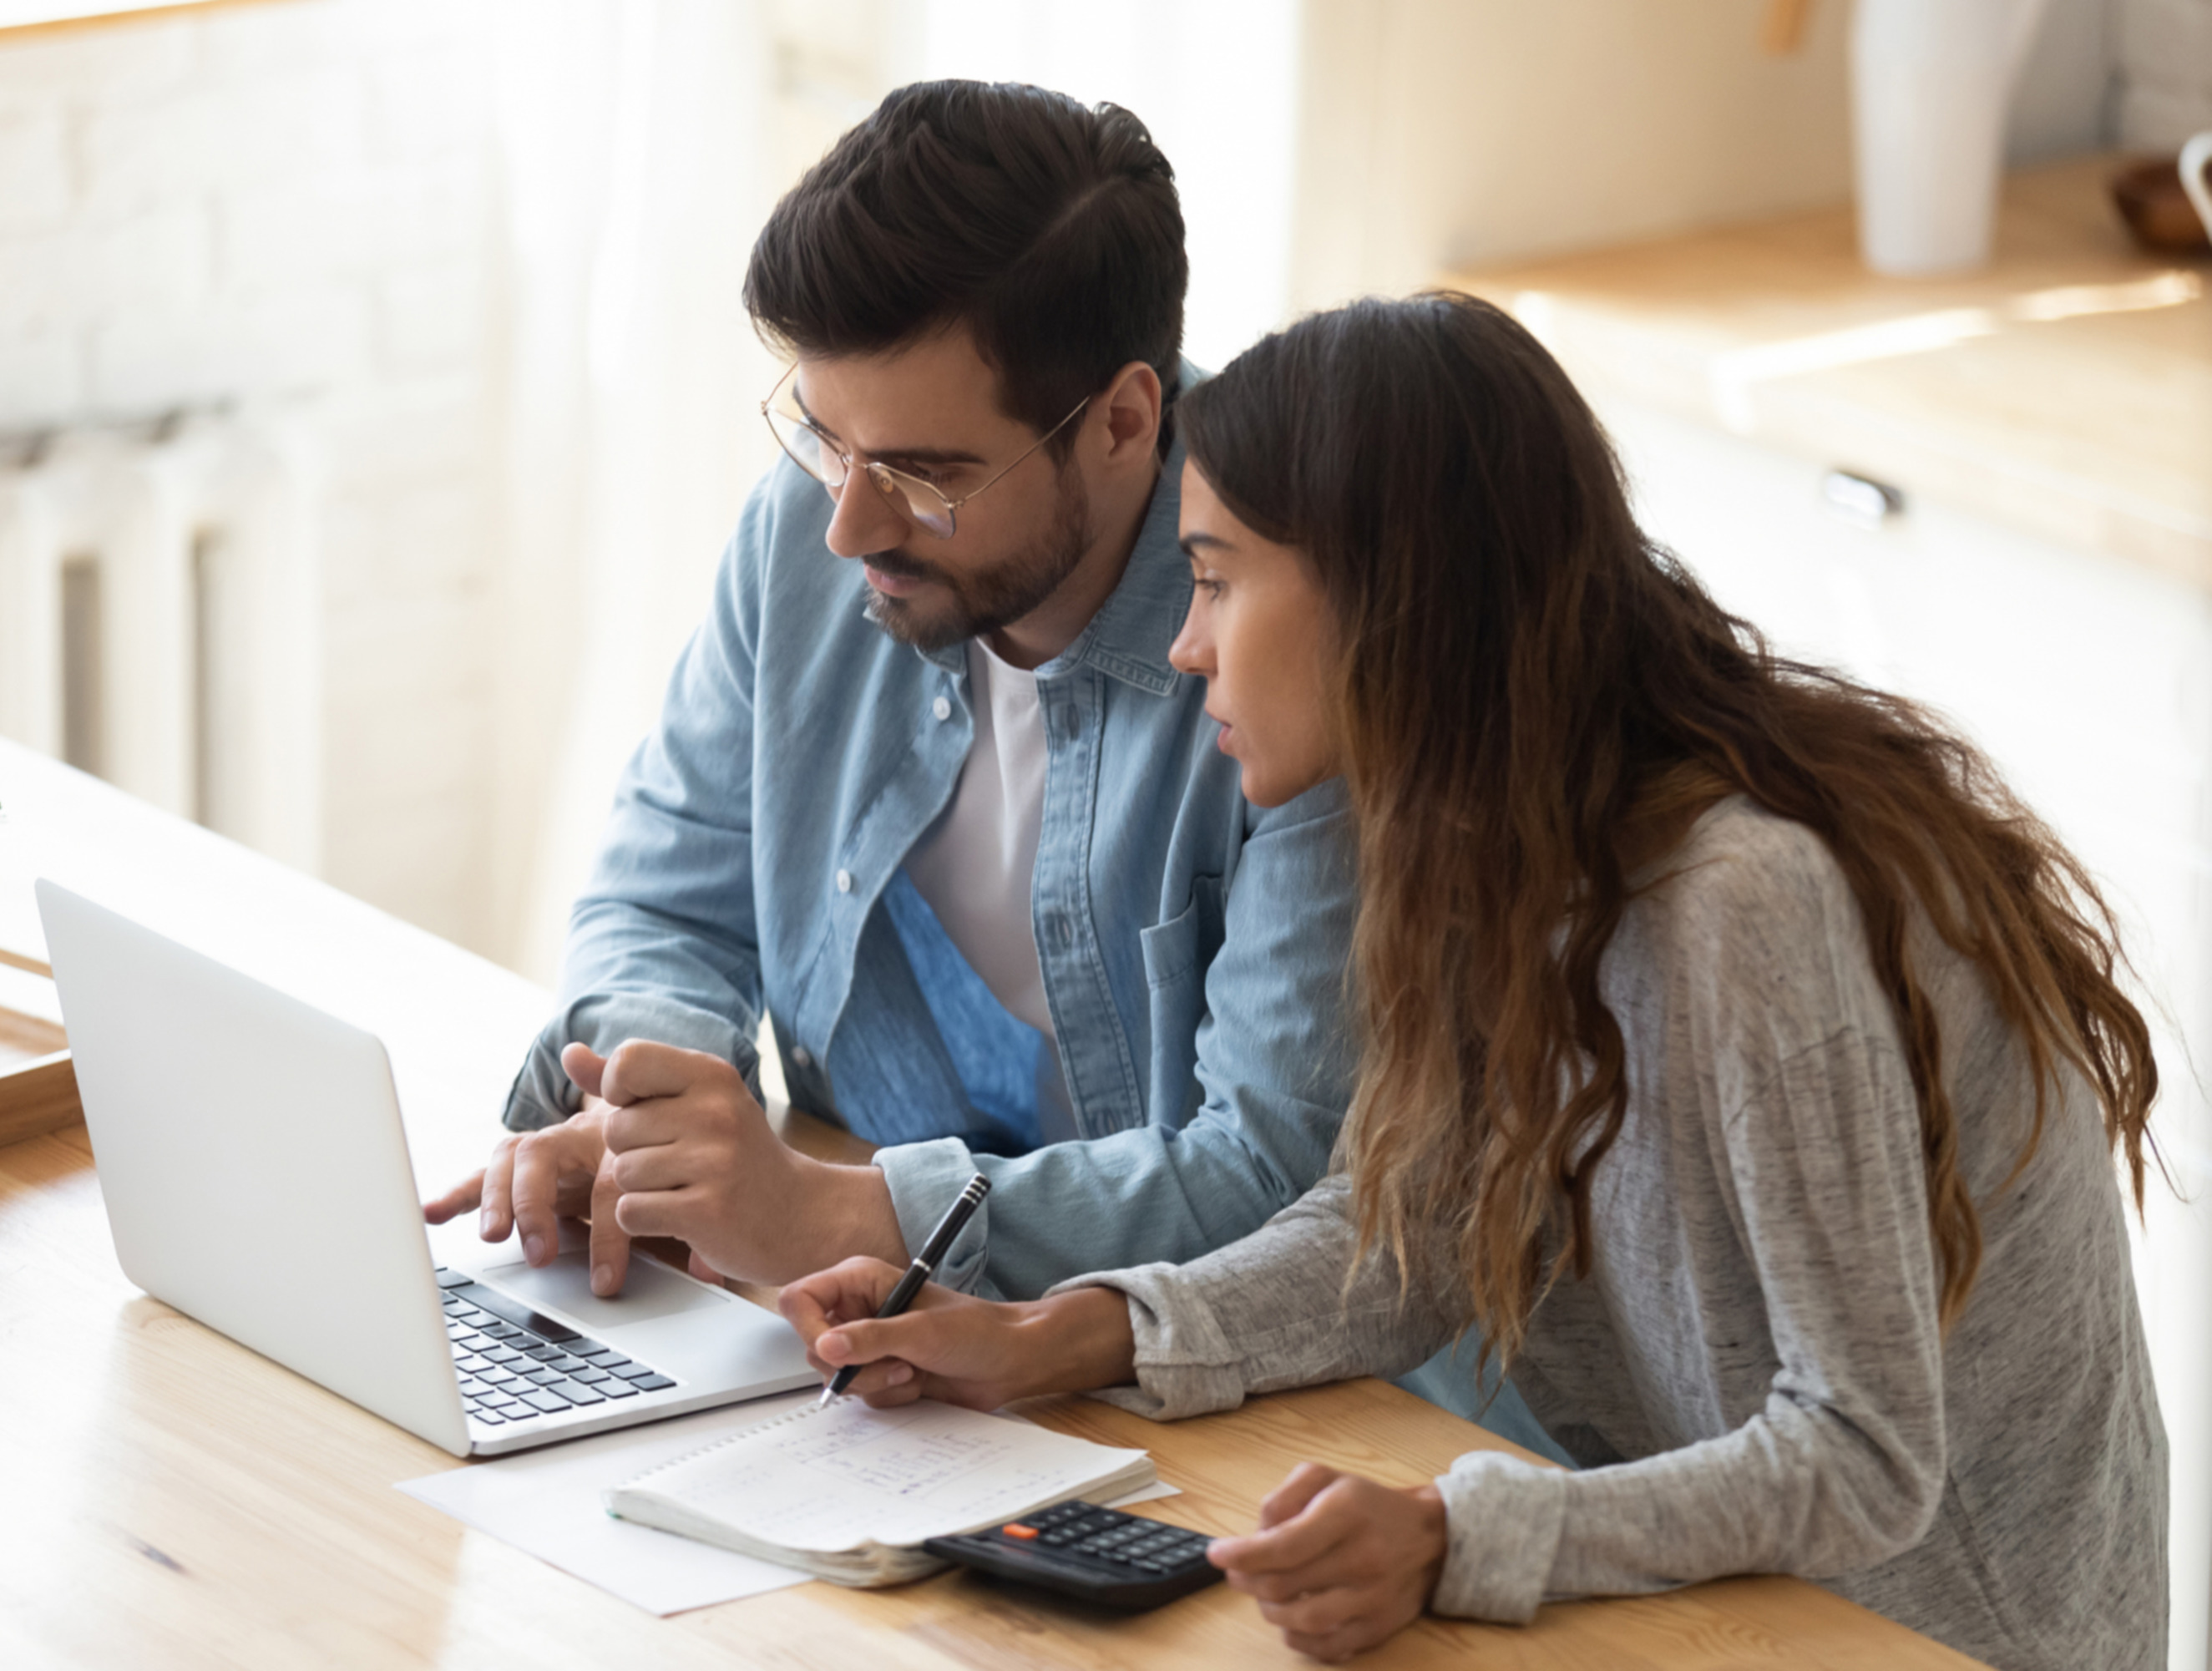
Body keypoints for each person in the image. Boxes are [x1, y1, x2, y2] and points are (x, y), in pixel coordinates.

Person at [777, 292, 2169, 1671]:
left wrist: (1455, 1533)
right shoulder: (1486, 841)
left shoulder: (1741, 902)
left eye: (1214, 576)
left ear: (1394, 596)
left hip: (1937, 1637)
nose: (1186, 642)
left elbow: (1863, 1457)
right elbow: (1413, 1230)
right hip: (1730, 1607)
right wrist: (1056, 1336)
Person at [420, 78, 1567, 1461]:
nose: (848, 522)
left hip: (1231, 1411)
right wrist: (656, 1114)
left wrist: (829, 1211)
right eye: (826, 437)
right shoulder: (820, 517)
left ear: (1124, 421)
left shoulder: (1308, 633)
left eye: (921, 470)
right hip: (880, 1366)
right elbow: (672, 887)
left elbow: (1283, 1174)